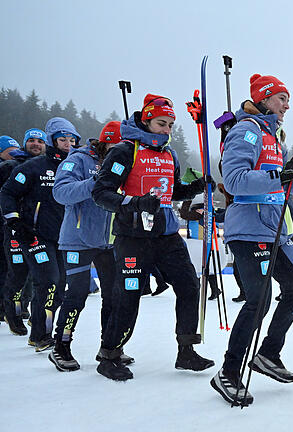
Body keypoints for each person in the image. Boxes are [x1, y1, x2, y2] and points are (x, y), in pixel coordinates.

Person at [91, 94, 214, 381]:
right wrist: (133, 202)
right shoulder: (124, 151)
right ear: (146, 120)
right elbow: (101, 193)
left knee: (189, 286)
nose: (167, 130)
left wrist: (194, 187)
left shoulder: (169, 155)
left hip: (167, 236)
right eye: (161, 123)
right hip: (133, 236)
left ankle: (186, 352)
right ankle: (109, 354)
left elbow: (172, 192)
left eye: (171, 125)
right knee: (129, 295)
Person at [210, 73, 293, 406]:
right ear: (265, 99)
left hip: (275, 231)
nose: (287, 105)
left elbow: (287, 188)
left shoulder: (274, 137)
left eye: (287, 99)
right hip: (248, 229)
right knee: (259, 301)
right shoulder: (247, 131)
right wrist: (277, 175)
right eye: (281, 98)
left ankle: (268, 354)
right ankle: (228, 372)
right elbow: (236, 181)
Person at [48, 121, 124, 371]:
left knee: (114, 296)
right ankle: (61, 346)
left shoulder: (123, 160)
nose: (118, 152)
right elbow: (61, 192)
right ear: (103, 143)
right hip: (77, 239)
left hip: (109, 241)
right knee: (77, 294)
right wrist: (96, 183)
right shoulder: (78, 159)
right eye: (113, 146)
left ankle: (110, 346)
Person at [0, 118, 77, 351]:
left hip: (64, 237)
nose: (67, 144)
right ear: (53, 140)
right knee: (47, 280)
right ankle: (38, 333)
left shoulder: (76, 166)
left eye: (72, 140)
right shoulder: (30, 167)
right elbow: (7, 193)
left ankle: (39, 319)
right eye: (62, 139)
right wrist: (14, 220)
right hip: (34, 236)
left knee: (60, 284)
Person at [1, 129, 46, 335]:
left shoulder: (50, 166)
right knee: (18, 273)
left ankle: (31, 311)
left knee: (43, 276)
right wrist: (11, 220)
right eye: (31, 141)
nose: (36, 144)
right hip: (16, 230)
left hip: (43, 231)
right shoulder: (11, 166)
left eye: (40, 141)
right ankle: (13, 313)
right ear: (24, 143)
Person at [0, 136, 20, 325]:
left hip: (11, 226)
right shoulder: (5, 168)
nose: (14, 153)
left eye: (16, 149)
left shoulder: (17, 166)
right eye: (10, 151)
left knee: (12, 267)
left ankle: (12, 307)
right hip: (5, 225)